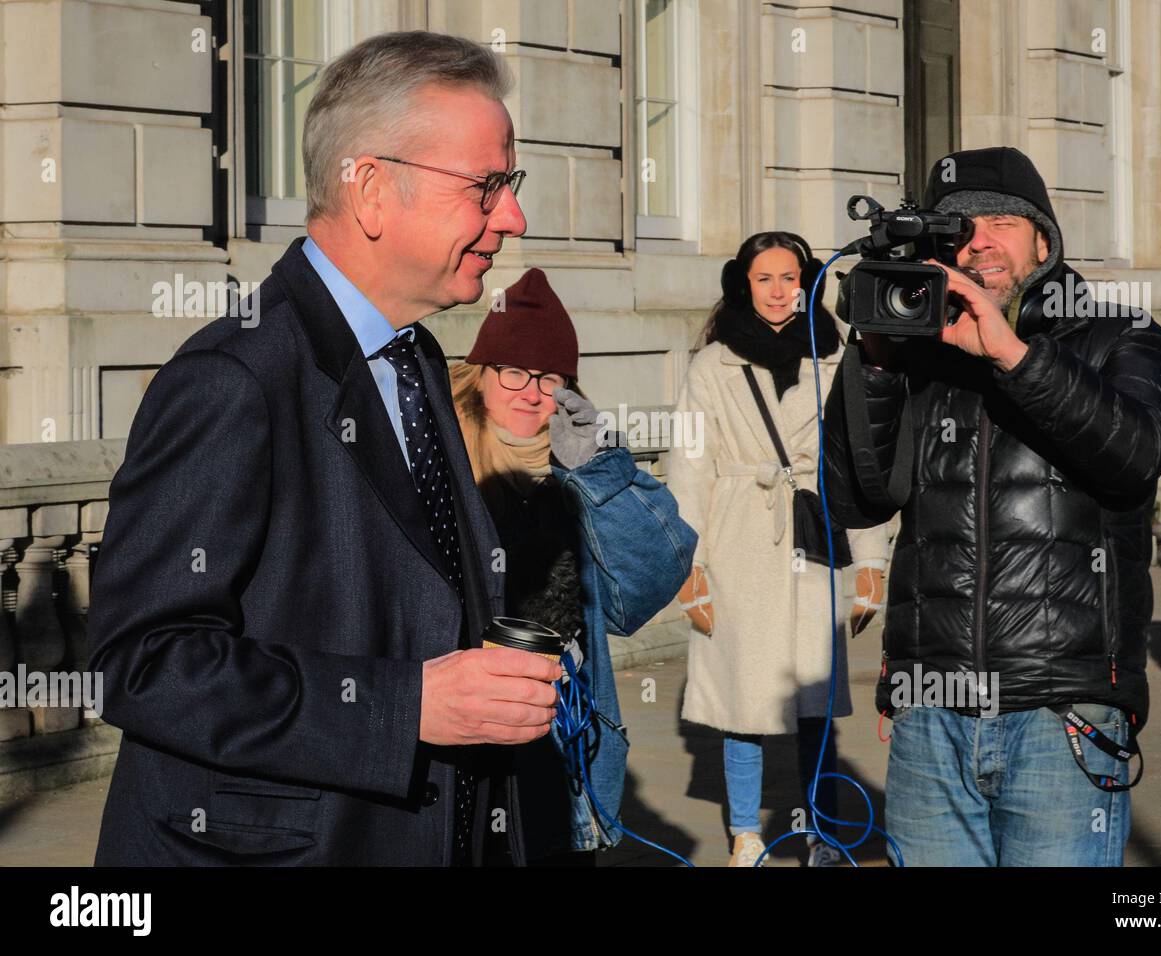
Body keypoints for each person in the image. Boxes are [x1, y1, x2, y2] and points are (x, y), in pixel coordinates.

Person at [88, 32, 559, 866]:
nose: (512, 218)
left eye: (509, 187)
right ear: (372, 190)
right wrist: (403, 708)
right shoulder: (233, 378)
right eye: (487, 187)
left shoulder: (414, 355)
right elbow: (142, 662)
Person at [821, 146, 1161, 866]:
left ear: (1043, 240)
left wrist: (1013, 356)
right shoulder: (920, 352)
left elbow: (1134, 458)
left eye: (1000, 221)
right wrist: (878, 363)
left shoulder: (1119, 335)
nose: (978, 239)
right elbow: (853, 500)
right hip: (931, 715)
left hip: (1061, 712)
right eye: (958, 227)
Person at [448, 267, 696, 865]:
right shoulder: (440, 463)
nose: (530, 392)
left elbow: (642, 588)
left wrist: (598, 474)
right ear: (482, 376)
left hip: (558, 743)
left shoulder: (585, 472)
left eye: (548, 377)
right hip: (458, 737)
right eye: (512, 372)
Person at [666, 231, 893, 867]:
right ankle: (746, 834)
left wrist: (873, 561)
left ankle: (823, 834)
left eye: (789, 277)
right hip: (739, 534)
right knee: (744, 699)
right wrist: (690, 569)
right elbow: (689, 468)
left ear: (808, 281)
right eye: (763, 278)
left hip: (816, 530)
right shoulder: (711, 365)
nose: (777, 291)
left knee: (815, 699)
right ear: (742, 283)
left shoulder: (837, 353)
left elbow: (857, 464)